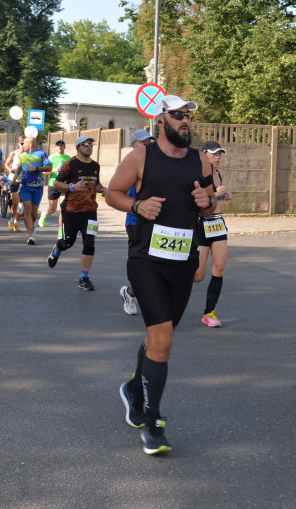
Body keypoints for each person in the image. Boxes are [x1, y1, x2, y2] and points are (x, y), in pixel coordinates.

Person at [105, 95, 216, 455]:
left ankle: (133, 391)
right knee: (163, 339)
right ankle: (152, 424)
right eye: (178, 115)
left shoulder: (201, 160)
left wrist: (207, 203)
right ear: (161, 120)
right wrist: (137, 204)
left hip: (182, 260)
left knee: (159, 336)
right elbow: (112, 194)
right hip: (145, 260)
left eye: (188, 116)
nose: (185, 121)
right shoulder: (141, 157)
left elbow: (210, 205)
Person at [47, 135, 106, 290]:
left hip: (91, 212)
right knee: (68, 243)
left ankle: (84, 277)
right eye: (86, 144)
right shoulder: (70, 164)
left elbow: (96, 184)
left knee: (90, 243)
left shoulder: (95, 165)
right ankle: (57, 250)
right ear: (78, 147)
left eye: (91, 144)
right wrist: (72, 187)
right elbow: (56, 183)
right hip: (72, 211)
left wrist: (103, 189)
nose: (89, 147)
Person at [195, 141, 233, 327]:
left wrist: (226, 195)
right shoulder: (197, 175)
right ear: (204, 154)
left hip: (217, 223)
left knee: (219, 268)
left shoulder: (220, 174)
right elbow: (196, 201)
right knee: (197, 275)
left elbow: (219, 195)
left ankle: (209, 313)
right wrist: (216, 195)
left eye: (220, 154)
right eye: (213, 153)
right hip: (201, 224)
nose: (217, 157)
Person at [120, 129, 154, 315]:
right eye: (144, 142)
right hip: (135, 221)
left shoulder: (157, 163)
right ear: (134, 145)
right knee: (140, 261)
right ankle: (131, 295)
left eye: (150, 142)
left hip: (156, 221)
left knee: (154, 262)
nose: (148, 145)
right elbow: (117, 194)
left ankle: (131, 291)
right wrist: (137, 205)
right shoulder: (129, 164)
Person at [18, 135, 52, 245]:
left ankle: (31, 225)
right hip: (25, 186)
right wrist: (14, 178)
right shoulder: (22, 155)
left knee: (34, 213)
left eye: (25, 143)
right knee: (27, 209)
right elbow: (19, 168)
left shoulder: (41, 154)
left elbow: (49, 167)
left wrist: (37, 168)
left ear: (31, 144)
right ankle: (31, 235)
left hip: (38, 187)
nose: (23, 145)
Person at [39, 139, 71, 229]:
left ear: (64, 147)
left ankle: (61, 230)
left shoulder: (68, 158)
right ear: (56, 147)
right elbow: (44, 172)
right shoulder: (51, 157)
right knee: (52, 209)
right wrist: (54, 170)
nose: (60, 147)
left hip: (64, 185)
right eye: (58, 145)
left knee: (63, 208)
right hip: (53, 184)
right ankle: (45, 214)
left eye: (61, 145)